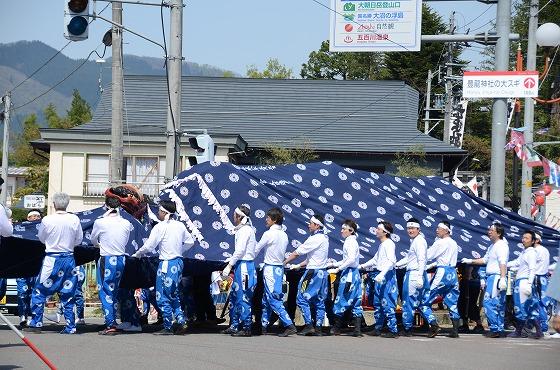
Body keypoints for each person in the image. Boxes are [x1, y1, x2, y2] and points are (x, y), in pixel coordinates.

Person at [132, 200, 195, 335]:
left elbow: (149, 246)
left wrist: (137, 254)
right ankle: (181, 321)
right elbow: (190, 241)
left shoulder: (160, 227)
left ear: (164, 212)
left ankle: (168, 326)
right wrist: (179, 250)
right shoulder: (180, 226)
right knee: (174, 294)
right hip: (178, 262)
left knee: (162, 296)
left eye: (159, 211)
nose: (158, 213)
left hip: (166, 263)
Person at [24, 192, 83, 334]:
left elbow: (41, 238)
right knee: (68, 293)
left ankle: (36, 322)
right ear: (67, 204)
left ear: (54, 204)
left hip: (52, 258)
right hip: (69, 258)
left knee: (39, 290)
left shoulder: (47, 219)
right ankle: (70, 326)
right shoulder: (74, 219)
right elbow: (79, 240)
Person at [90, 196, 134, 335]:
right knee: (114, 291)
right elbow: (126, 240)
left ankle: (110, 323)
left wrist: (99, 245)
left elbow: (93, 239)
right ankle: (112, 320)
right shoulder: (126, 223)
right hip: (121, 259)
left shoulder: (100, 222)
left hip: (107, 258)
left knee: (105, 291)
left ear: (106, 206)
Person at [284, 214, 329, 336]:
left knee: (301, 297)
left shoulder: (315, 238)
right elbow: (313, 258)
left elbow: (298, 252)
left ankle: (309, 325)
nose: (308, 225)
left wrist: (284, 262)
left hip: (312, 273)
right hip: (322, 272)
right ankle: (318, 327)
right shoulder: (325, 238)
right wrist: (298, 265)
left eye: (311, 223)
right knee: (319, 300)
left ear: (317, 225)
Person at [462, 221, 509, 338]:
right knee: (496, 304)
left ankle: (495, 328)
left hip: (497, 277)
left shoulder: (501, 245)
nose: (489, 232)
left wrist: (502, 278)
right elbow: (484, 260)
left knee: (489, 303)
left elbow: (502, 262)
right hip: (492, 277)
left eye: (491, 230)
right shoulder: (492, 246)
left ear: (498, 233)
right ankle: (499, 328)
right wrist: (470, 260)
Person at [254, 208, 296, 337]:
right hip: (279, 268)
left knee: (272, 298)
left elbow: (256, 248)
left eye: (268, 217)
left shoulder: (269, 234)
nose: (266, 219)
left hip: (270, 268)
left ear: (275, 219)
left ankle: (289, 324)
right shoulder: (284, 234)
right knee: (267, 298)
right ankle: (263, 325)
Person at [419, 221, 460, 338]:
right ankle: (455, 329)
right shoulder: (454, 243)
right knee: (452, 301)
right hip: (453, 273)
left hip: (442, 273)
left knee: (425, 300)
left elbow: (428, 255)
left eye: (439, 228)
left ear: (446, 230)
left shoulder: (441, 242)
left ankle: (433, 324)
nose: (436, 230)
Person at [221, 205, 257, 337]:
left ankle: (246, 326)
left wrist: (230, 265)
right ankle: (235, 324)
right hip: (241, 266)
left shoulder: (245, 230)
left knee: (243, 297)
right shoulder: (242, 230)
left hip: (245, 267)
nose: (233, 216)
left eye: (235, 214)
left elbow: (241, 250)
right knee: (235, 297)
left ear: (240, 217)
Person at [359, 221, 398, 338]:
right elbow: (375, 260)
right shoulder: (382, 245)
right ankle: (378, 328)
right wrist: (361, 266)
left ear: (385, 232)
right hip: (379, 275)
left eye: (378, 229)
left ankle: (393, 330)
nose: (376, 230)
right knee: (377, 303)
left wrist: (383, 274)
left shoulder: (389, 244)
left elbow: (392, 261)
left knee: (387, 302)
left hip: (387, 276)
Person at [327, 219, 363, 337]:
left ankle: (337, 327)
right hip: (354, 273)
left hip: (349, 275)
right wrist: (334, 264)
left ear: (351, 231)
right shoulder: (351, 241)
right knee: (356, 300)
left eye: (344, 229)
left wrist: (338, 269)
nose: (341, 231)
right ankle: (357, 329)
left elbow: (351, 259)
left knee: (342, 298)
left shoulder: (350, 242)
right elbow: (348, 259)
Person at [394, 218, 428, 337]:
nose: (410, 230)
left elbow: (421, 259)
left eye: (413, 228)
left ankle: (407, 328)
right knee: (421, 301)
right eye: (408, 228)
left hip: (415, 274)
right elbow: (410, 258)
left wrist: (419, 276)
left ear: (418, 229)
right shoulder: (415, 241)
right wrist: (397, 264)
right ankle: (433, 324)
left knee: (408, 302)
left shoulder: (419, 241)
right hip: (416, 273)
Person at [506, 230, 540, 338]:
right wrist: (502, 264)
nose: (523, 240)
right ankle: (537, 331)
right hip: (521, 281)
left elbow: (532, 269)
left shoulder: (531, 253)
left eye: (526, 238)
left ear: (533, 241)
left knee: (521, 308)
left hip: (524, 282)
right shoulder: (524, 252)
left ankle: (519, 331)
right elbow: (516, 262)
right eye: (523, 237)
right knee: (526, 308)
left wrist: (529, 283)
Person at [17, 210, 41, 328]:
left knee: (35, 293)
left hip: (36, 267)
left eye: (38, 216)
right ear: (28, 218)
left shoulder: (43, 229)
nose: (36, 218)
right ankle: (23, 315)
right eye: (33, 216)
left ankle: (33, 316)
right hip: (22, 266)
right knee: (22, 293)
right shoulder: (22, 229)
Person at [534, 232, 552, 337]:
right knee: (542, 304)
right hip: (543, 278)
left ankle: (541, 328)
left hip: (537, 278)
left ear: (536, 240)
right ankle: (543, 328)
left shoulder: (536, 250)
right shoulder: (545, 250)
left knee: (537, 304)